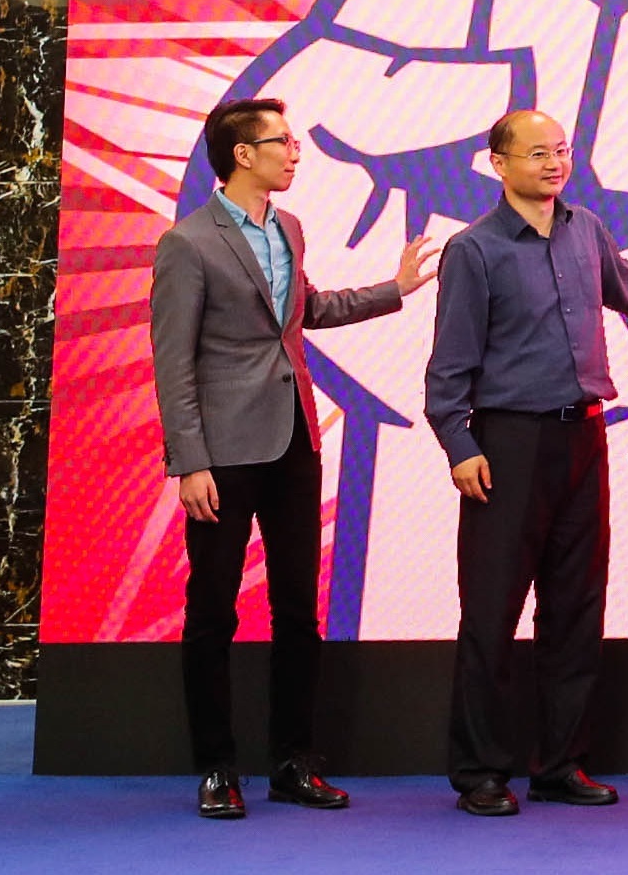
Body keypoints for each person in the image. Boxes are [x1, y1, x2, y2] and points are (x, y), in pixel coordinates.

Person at [424, 108, 628, 817]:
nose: (554, 163)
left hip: (584, 440)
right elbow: (448, 365)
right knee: (491, 615)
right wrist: (459, 444)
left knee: (575, 608)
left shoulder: (585, 229)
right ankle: (480, 772)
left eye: (561, 150)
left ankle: (560, 765)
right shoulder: (473, 250)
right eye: (536, 153)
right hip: (506, 446)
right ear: (498, 164)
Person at [150, 95, 436, 820]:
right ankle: (216, 767)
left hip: (294, 441)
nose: (294, 152)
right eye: (282, 141)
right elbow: (173, 362)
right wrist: (189, 462)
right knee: (212, 611)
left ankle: (292, 762)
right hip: (222, 454)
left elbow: (309, 311)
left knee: (298, 610)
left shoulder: (291, 229)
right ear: (242, 154)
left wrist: (395, 289)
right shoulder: (188, 243)